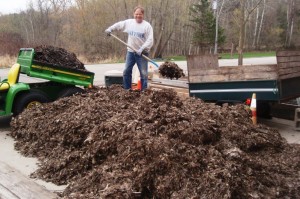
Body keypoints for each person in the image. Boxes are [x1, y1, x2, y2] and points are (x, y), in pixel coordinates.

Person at [105, 6, 154, 91]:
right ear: (133, 14)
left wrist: (142, 49)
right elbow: (119, 25)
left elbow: (150, 40)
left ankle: (144, 91)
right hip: (131, 52)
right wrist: (110, 29)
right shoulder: (129, 23)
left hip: (142, 53)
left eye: (140, 14)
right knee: (126, 71)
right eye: (136, 14)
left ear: (143, 15)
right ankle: (127, 90)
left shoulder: (147, 26)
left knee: (143, 73)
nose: (138, 16)